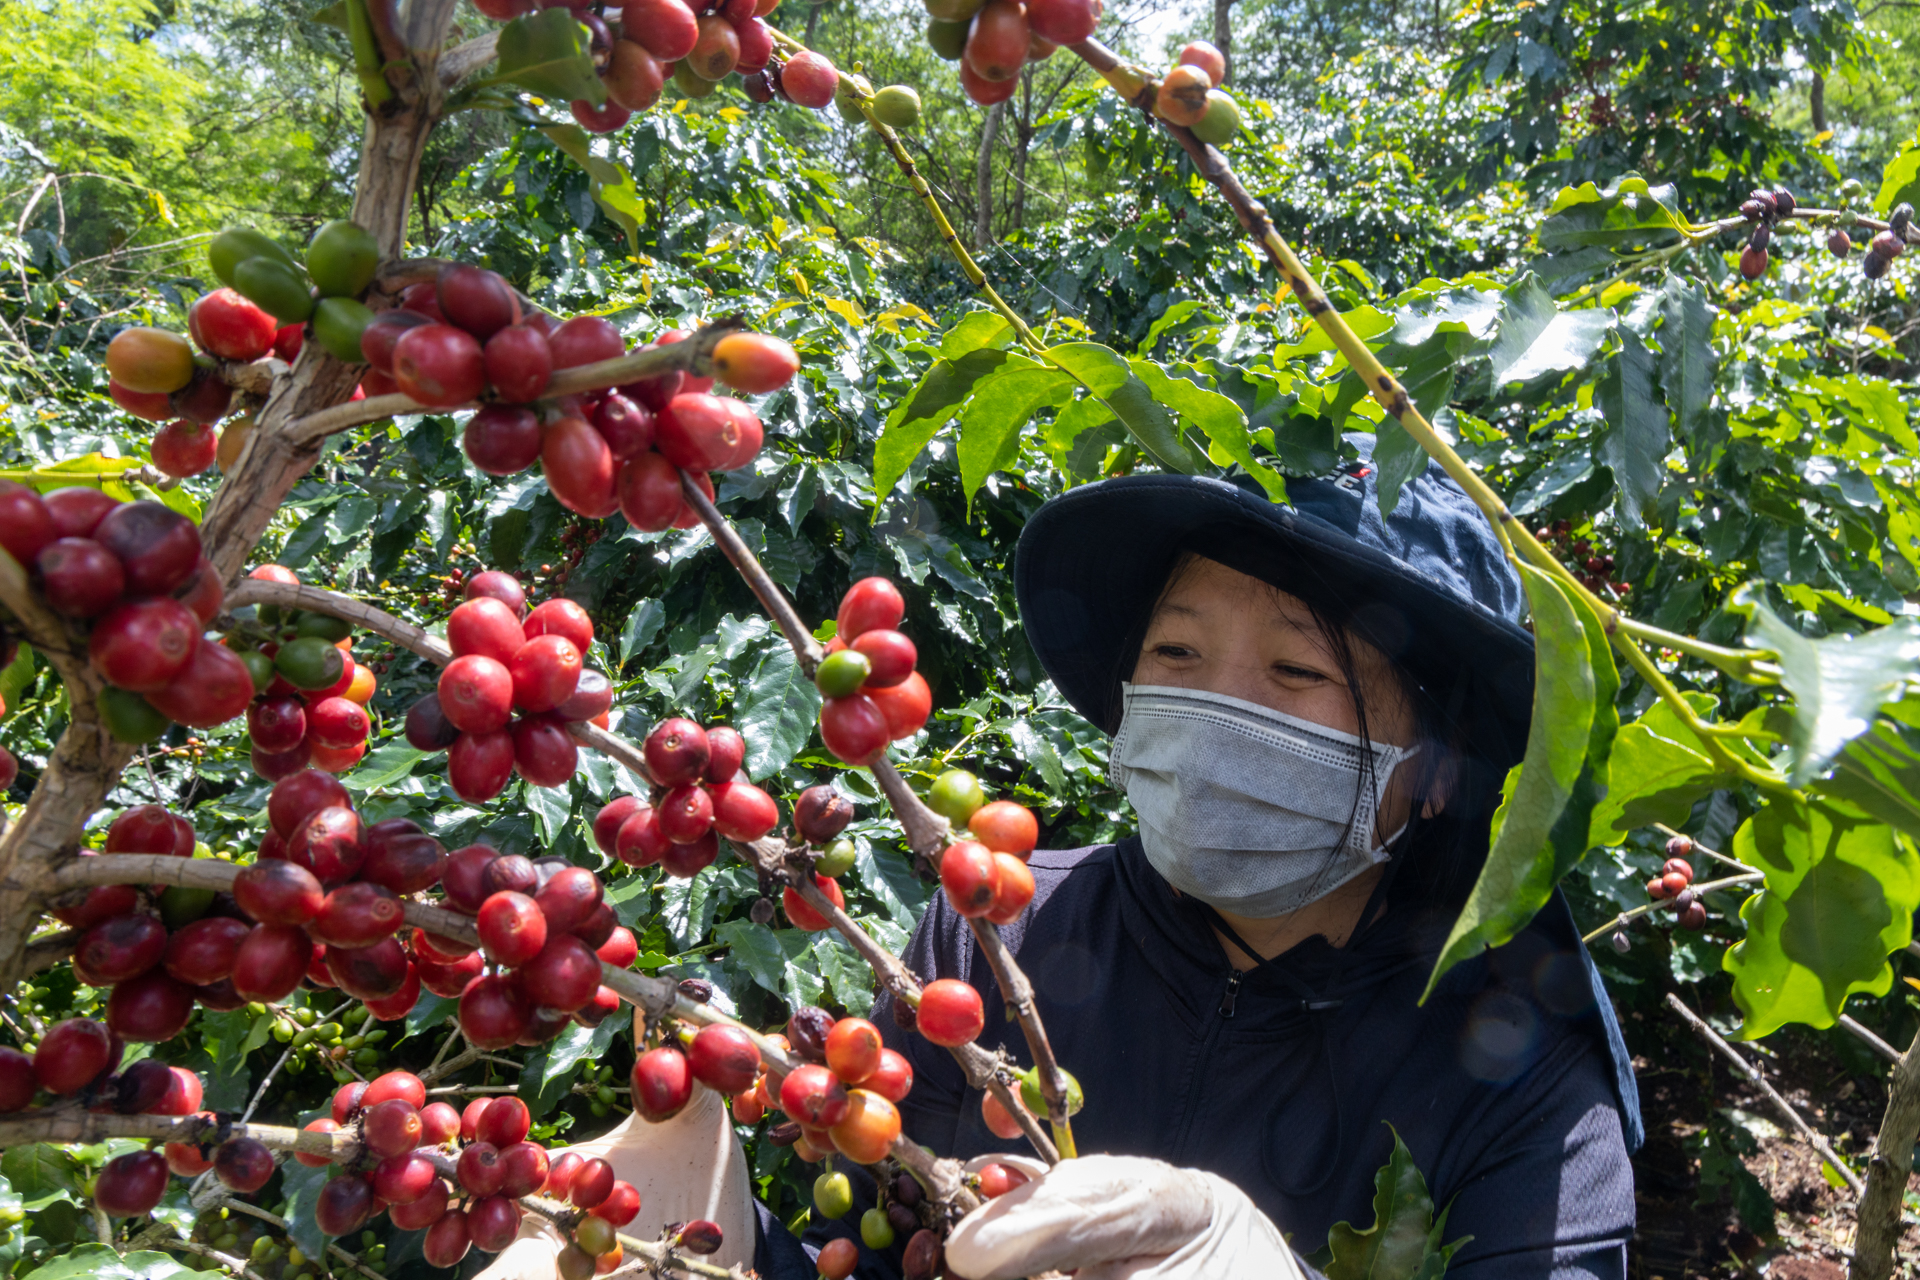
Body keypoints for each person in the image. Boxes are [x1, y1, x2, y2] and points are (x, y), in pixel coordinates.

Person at [487, 464, 1641, 1280]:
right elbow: (899, 1244)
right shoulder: (988, 937)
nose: (1215, 707)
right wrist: (733, 1234)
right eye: (1178, 654)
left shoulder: (1525, 1072)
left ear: (1435, 767)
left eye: (1296, 671)